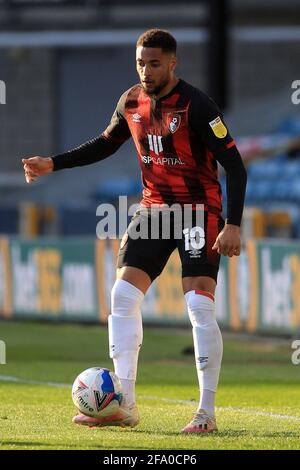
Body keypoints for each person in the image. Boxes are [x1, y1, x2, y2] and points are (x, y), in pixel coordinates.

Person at [22, 29, 247, 434]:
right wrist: (53, 163)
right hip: (154, 209)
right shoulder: (131, 101)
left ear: (173, 63)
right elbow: (105, 144)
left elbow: (234, 165)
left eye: (154, 63)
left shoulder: (198, 106)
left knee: (198, 305)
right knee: (122, 295)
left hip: (199, 211)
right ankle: (124, 404)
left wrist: (233, 224)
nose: (146, 70)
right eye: (141, 62)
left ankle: (206, 414)